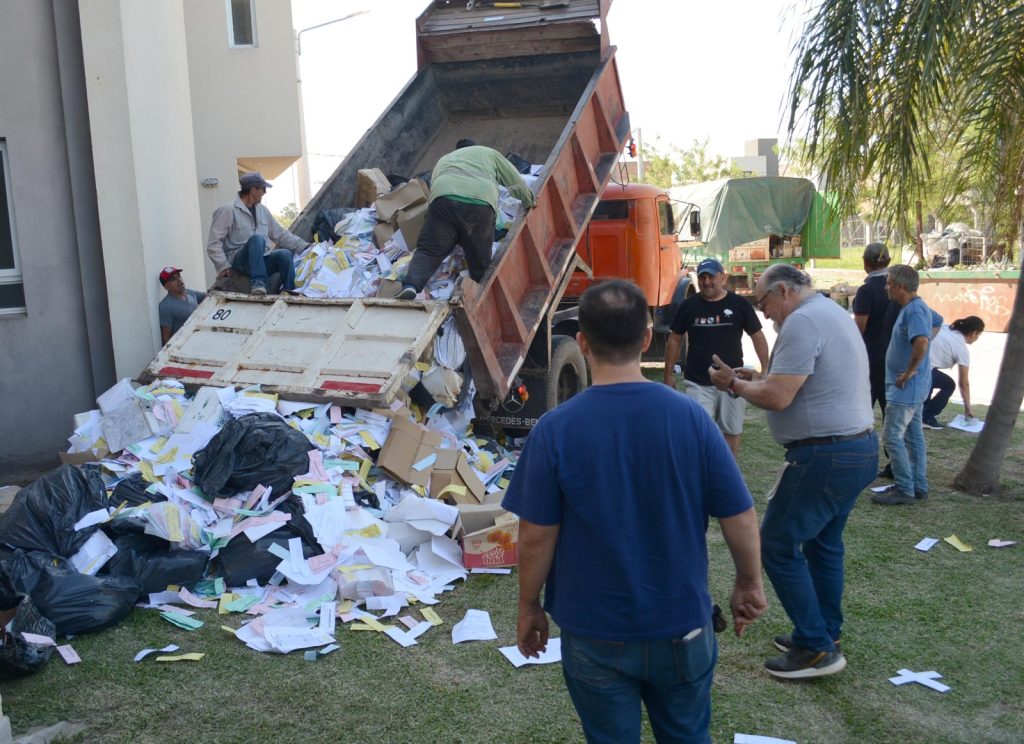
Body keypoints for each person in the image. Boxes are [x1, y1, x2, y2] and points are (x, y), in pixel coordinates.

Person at [505, 279, 766, 743]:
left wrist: (529, 606)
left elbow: (535, 535)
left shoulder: (554, 430)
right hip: (681, 626)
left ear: (582, 342)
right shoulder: (691, 419)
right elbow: (740, 515)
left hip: (595, 631)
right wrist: (749, 581)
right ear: (647, 338)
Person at [709, 263, 877, 679]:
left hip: (824, 455)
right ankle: (825, 632)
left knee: (776, 545)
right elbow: (797, 383)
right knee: (823, 545)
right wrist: (754, 378)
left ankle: (817, 646)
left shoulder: (802, 322)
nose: (764, 313)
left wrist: (734, 385)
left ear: (783, 291)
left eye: (763, 302)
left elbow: (779, 397)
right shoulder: (830, 313)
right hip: (855, 448)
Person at [396, 141, 536, 299]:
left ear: (457, 151)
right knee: (478, 257)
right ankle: (482, 295)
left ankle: (411, 285)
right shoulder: (487, 152)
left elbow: (434, 188)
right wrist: (528, 201)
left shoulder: (444, 159)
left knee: (429, 249)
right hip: (478, 203)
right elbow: (513, 179)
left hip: (442, 201)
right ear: (474, 146)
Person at [663, 258, 769, 457]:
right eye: (702, 277)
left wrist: (766, 369)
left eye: (711, 276)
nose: (706, 282)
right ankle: (701, 476)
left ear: (723, 278)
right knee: (698, 431)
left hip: (732, 381)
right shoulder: (689, 306)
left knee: (731, 431)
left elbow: (758, 337)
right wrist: (668, 375)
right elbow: (675, 340)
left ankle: (729, 478)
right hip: (697, 382)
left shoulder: (739, 304)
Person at [871, 264, 934, 505]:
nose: (886, 288)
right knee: (912, 436)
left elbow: (921, 341)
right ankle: (918, 485)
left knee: (892, 436)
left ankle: (905, 488)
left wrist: (909, 372)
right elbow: (935, 325)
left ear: (900, 286)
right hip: (913, 386)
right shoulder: (915, 308)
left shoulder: (915, 311)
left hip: (906, 388)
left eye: (888, 284)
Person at [206, 172, 311, 296]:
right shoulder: (228, 210)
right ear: (253, 190)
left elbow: (280, 234)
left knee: (284, 254)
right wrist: (223, 266)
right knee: (257, 239)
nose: (264, 193)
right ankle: (258, 283)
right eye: (263, 189)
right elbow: (214, 243)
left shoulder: (263, 211)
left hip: (261, 260)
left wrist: (304, 246)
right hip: (240, 261)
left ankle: (289, 291)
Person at [851, 242, 899, 477]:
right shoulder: (899, 286)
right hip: (894, 357)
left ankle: (860, 461)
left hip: (870, 359)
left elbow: (859, 328)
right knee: (891, 413)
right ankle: (896, 463)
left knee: (861, 413)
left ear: (865, 263)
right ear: (888, 262)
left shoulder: (866, 291)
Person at [921, 316, 985, 428]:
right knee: (947, 384)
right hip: (924, 368)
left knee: (940, 379)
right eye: (979, 335)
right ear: (974, 333)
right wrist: (968, 408)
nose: (977, 338)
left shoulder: (945, 327)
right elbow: (964, 383)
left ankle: (924, 413)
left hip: (916, 361)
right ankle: (927, 417)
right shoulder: (961, 349)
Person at [157, 267, 206, 344]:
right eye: (173, 279)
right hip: (184, 347)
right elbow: (166, 336)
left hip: (202, 340)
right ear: (166, 286)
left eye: (179, 276)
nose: (179, 280)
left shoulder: (189, 293)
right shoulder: (165, 306)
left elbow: (209, 297)